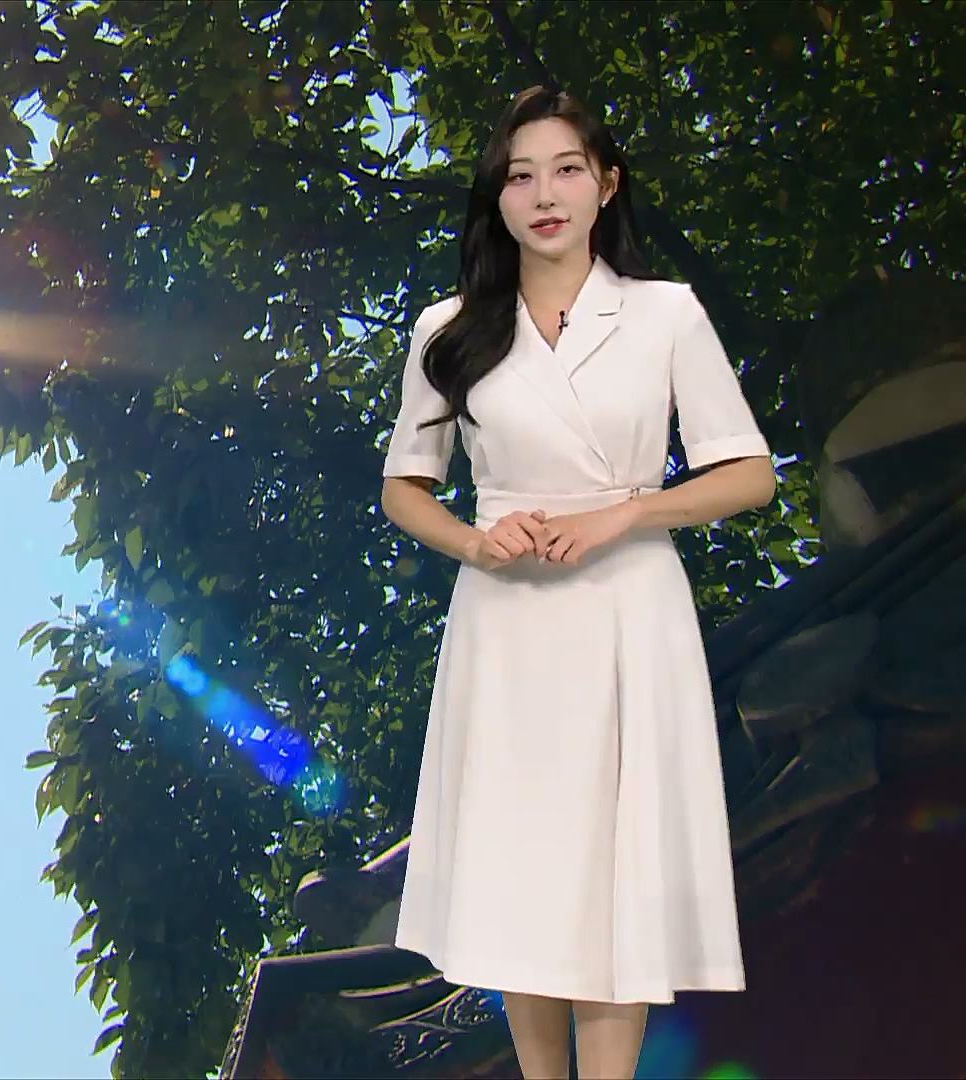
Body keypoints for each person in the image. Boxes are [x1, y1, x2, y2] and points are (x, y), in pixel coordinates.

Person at [378, 86, 776, 1080]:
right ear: (497, 199)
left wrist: (627, 513)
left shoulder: (663, 315)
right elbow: (404, 489)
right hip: (508, 619)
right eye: (520, 177)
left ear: (606, 184)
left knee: (613, 875)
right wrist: (478, 544)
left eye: (566, 170)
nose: (544, 195)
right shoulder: (449, 328)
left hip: (629, 606)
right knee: (526, 872)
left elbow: (750, 475)